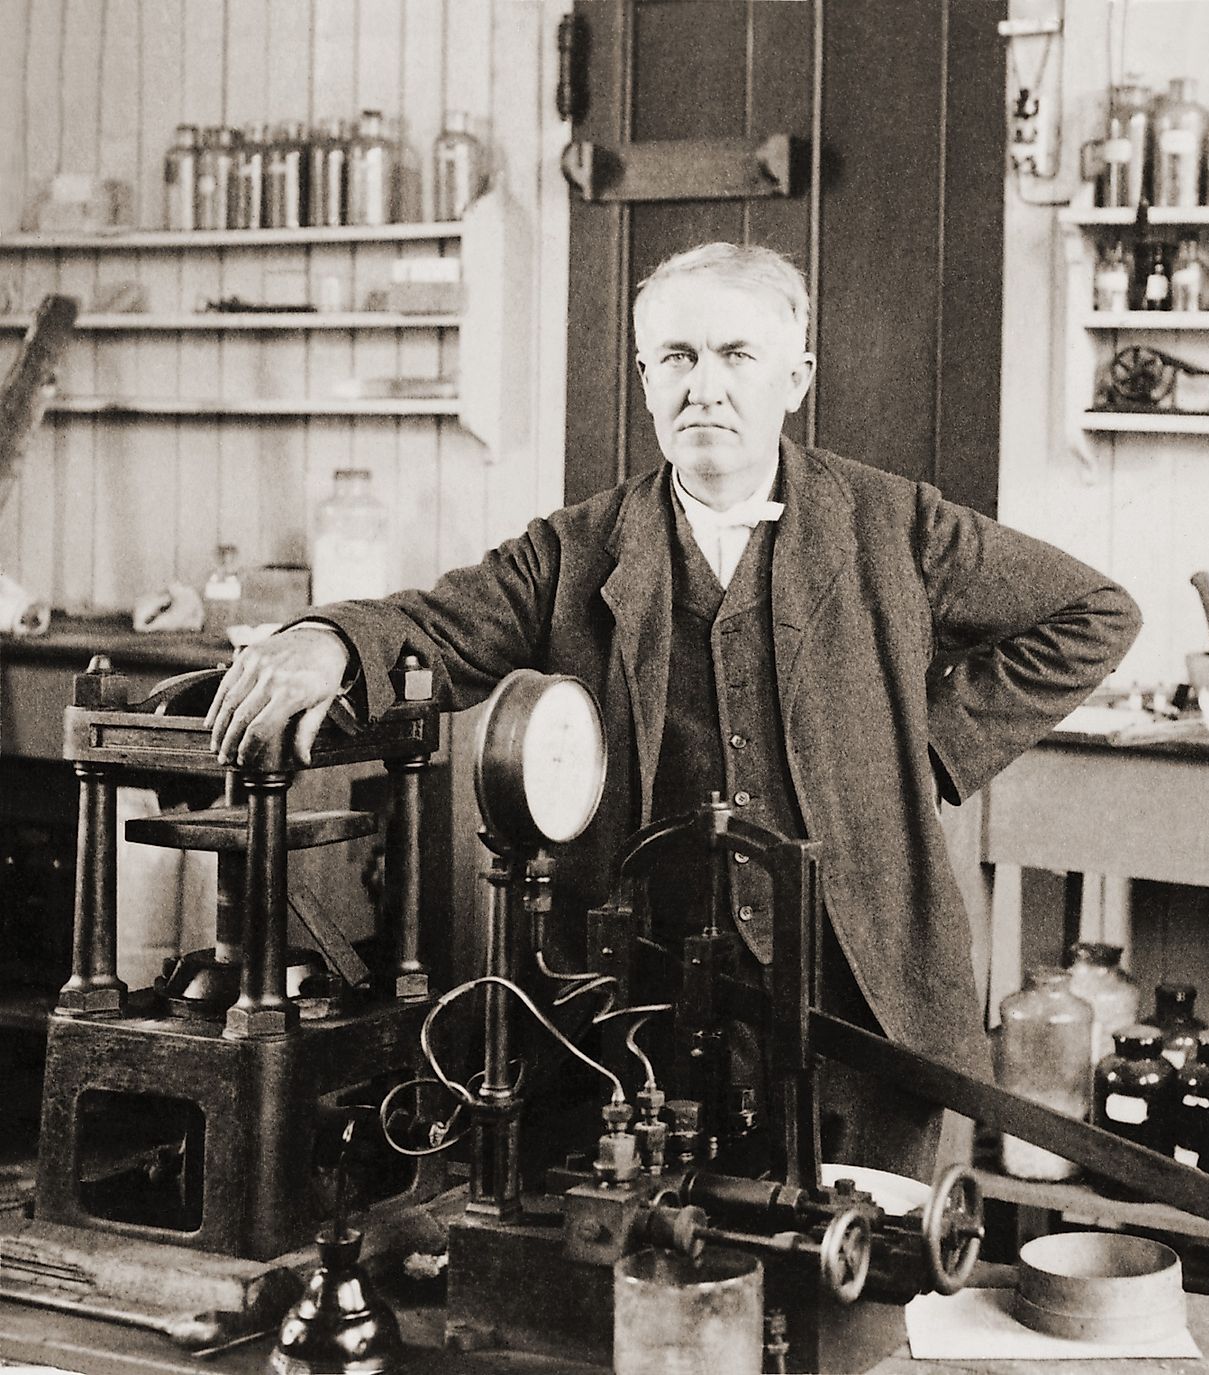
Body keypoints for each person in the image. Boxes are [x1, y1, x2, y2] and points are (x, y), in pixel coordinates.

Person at [206, 242, 1141, 1179]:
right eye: (679, 358)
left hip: (859, 997)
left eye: (738, 356)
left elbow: (1094, 614)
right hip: (643, 1018)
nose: (707, 388)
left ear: (795, 379)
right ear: (645, 377)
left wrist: (920, 751)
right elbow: (434, 628)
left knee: (862, 1281)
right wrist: (329, 636)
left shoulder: (893, 525)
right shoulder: (572, 550)